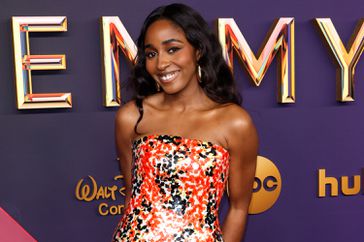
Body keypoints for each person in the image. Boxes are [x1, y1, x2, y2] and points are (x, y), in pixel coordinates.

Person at [112, 3, 258, 242]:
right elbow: (132, 198)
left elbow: (239, 209)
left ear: (198, 50)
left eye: (173, 49)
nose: (161, 64)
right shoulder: (132, 117)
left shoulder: (235, 123)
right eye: (151, 54)